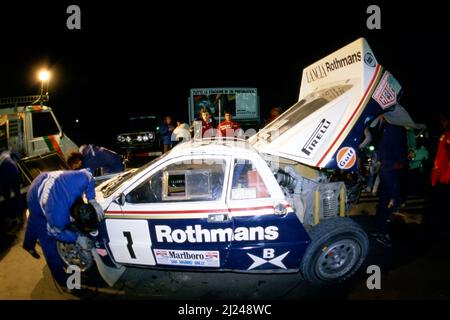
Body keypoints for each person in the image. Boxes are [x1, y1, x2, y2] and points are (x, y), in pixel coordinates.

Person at [22, 169, 100, 288]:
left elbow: (89, 174)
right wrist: (77, 238)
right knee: (47, 240)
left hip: (46, 178)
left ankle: (28, 244)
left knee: (34, 221)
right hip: (34, 196)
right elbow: (53, 232)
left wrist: (92, 199)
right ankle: (62, 279)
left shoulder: (81, 179)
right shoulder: (57, 218)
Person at [372, 115, 408, 247]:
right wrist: (400, 162)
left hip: (385, 169)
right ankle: (384, 233)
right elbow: (397, 148)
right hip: (391, 169)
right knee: (392, 202)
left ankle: (378, 229)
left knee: (383, 201)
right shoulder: (393, 127)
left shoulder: (385, 127)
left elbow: (384, 149)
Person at [0, 150, 23, 237]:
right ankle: (19, 216)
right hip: (14, 170)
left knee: (7, 197)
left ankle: (10, 217)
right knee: (18, 195)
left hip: (4, 173)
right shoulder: (8, 152)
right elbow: (19, 155)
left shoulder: (2, 156)